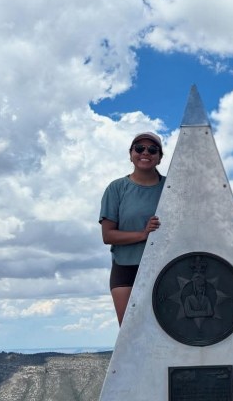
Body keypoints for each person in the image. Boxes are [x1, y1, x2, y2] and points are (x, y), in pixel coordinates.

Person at [99, 132, 165, 325]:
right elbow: (108, 235)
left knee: (166, 331)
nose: (145, 153)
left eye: (152, 149)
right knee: (130, 331)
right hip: (125, 268)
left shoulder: (172, 187)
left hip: (163, 267)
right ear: (131, 154)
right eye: (139, 148)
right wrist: (143, 234)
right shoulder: (116, 188)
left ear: (160, 157)